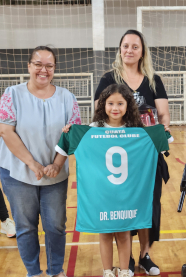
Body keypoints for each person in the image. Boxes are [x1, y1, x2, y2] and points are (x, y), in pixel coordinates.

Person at [0, 46, 81, 277]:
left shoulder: (67, 97)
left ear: (54, 68)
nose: (43, 70)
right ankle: (33, 273)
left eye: (49, 65)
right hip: (17, 173)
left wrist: (56, 164)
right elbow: (6, 132)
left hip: (55, 175)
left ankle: (56, 271)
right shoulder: (11, 94)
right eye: (38, 64)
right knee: (25, 227)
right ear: (29, 66)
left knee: (55, 226)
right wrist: (33, 164)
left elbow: (71, 135)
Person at [94, 29, 170, 276]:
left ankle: (144, 255)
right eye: (125, 46)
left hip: (147, 156)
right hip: (119, 156)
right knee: (122, 205)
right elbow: (98, 114)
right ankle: (124, 259)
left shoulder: (153, 80)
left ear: (142, 51)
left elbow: (163, 115)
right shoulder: (109, 78)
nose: (129, 50)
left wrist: (163, 130)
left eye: (135, 46)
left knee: (148, 203)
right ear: (120, 49)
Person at [59, 84, 147, 277]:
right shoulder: (93, 129)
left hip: (125, 193)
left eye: (120, 103)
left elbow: (160, 141)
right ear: (102, 105)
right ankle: (107, 271)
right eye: (110, 103)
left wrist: (162, 130)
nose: (115, 108)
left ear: (128, 105)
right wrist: (70, 130)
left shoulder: (136, 130)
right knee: (105, 233)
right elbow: (69, 143)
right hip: (102, 193)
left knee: (124, 233)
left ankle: (124, 271)